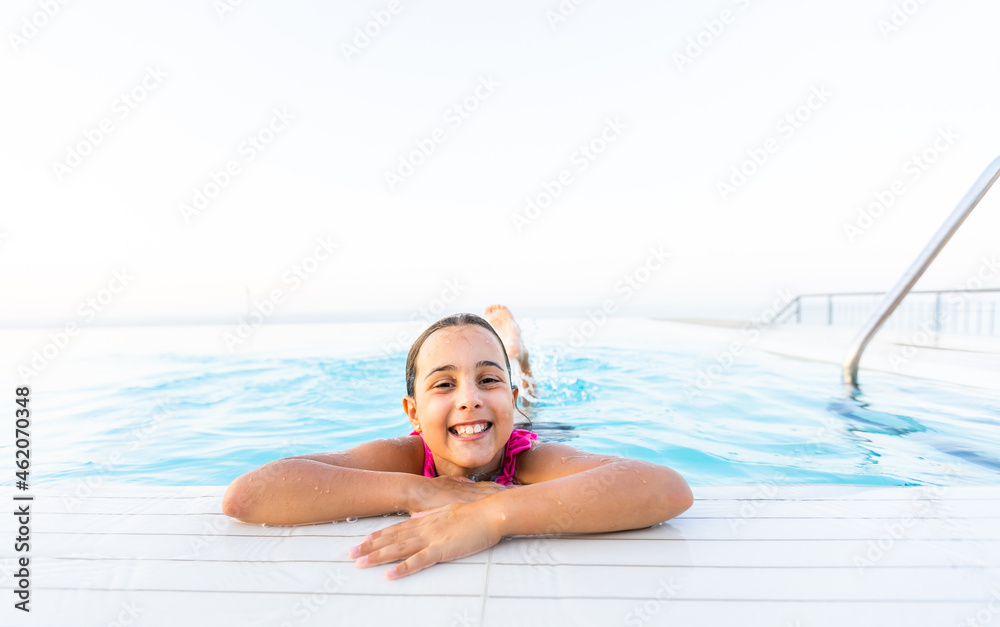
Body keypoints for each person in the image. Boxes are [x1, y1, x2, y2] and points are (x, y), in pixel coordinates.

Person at [222, 304, 692, 579]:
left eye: (487, 380)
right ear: (412, 413)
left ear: (504, 399)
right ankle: (514, 360)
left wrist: (492, 515)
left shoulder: (530, 458)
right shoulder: (404, 458)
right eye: (443, 385)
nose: (468, 400)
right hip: (459, 442)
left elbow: (666, 489)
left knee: (540, 410)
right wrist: (418, 489)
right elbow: (248, 495)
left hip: (526, 429)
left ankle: (519, 366)